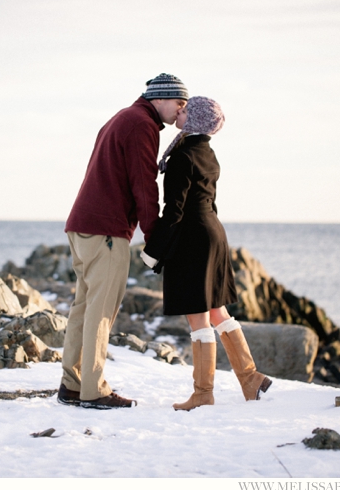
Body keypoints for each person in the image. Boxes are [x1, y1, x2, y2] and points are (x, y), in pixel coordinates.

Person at [58, 73, 189, 409]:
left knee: (83, 310)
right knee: (100, 313)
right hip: (106, 231)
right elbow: (143, 185)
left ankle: (72, 385)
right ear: (161, 99)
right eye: (179, 102)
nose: (181, 109)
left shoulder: (123, 117)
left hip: (82, 226)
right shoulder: (141, 125)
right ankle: (94, 390)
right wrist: (154, 235)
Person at [140, 96, 272, 411]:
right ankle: (250, 377)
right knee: (217, 312)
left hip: (192, 240)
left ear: (195, 120)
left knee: (199, 317)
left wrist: (153, 252)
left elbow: (173, 212)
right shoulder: (208, 154)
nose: (180, 112)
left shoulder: (182, 157)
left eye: (185, 110)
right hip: (214, 234)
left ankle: (203, 393)